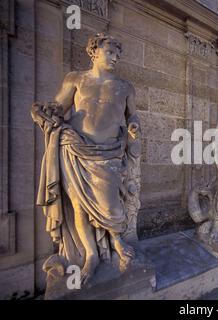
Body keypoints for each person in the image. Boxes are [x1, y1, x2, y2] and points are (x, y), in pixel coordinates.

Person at [31, 33, 140, 284]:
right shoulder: (76, 79)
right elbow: (58, 107)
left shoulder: (125, 87)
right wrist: (43, 112)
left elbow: (132, 116)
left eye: (118, 54)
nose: (115, 58)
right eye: (110, 52)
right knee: (78, 208)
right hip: (75, 150)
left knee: (112, 205)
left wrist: (133, 127)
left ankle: (117, 241)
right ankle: (90, 254)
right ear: (94, 52)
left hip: (109, 154)